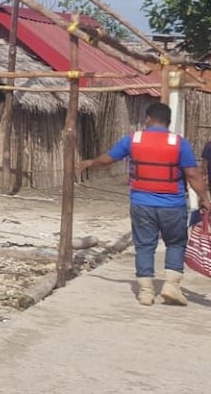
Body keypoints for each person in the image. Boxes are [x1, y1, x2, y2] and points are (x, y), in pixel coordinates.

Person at [80, 102, 211, 306]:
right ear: (168, 121)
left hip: (141, 203)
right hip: (173, 205)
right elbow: (193, 175)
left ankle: (146, 291)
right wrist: (205, 199)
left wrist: (90, 163)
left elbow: (107, 159)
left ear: (148, 118)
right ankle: (171, 286)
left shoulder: (134, 139)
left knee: (144, 246)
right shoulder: (179, 143)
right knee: (176, 243)